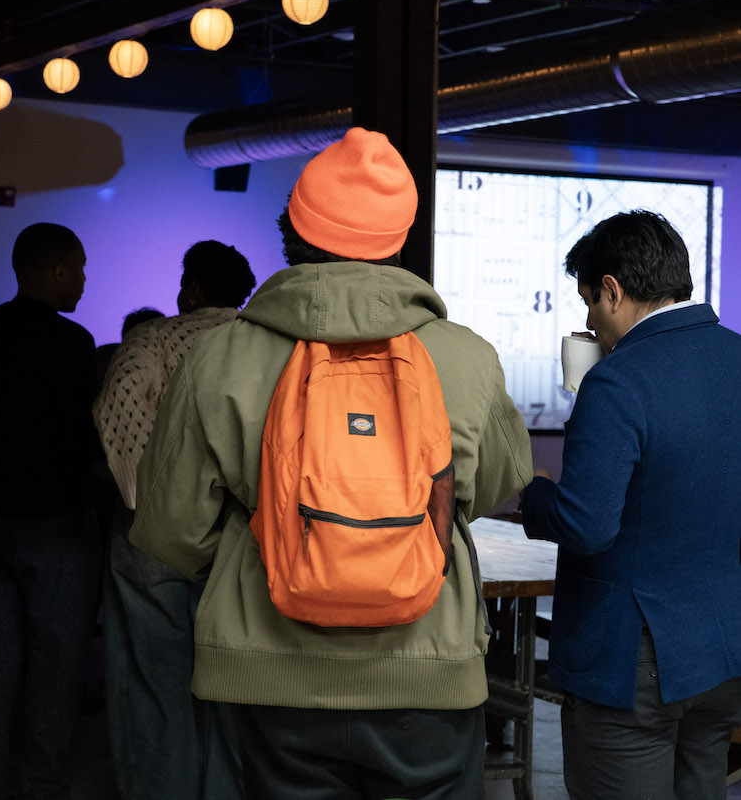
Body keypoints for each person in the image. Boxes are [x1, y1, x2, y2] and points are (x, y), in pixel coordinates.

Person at [130, 128, 533, 798]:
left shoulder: (219, 356)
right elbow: (494, 485)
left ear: (293, 231)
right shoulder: (466, 357)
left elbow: (172, 527)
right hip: (428, 674)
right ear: (397, 240)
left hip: (270, 677)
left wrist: (271, 541)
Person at [520, 210, 741, 800]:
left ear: (612, 291)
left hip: (632, 662)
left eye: (588, 303)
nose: (588, 321)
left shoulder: (616, 383)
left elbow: (586, 526)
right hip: (722, 651)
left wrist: (535, 493)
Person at [94, 240, 255, 800]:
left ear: (191, 289)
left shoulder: (154, 339)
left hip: (152, 537)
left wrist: (154, 493)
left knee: (152, 681)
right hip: (237, 535)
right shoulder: (259, 344)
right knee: (232, 683)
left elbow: (117, 406)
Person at [0, 222, 101, 800]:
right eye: (80, 269)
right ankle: (43, 786)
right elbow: (84, 438)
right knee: (56, 662)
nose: (84, 280)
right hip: (56, 522)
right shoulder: (74, 344)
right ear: (58, 271)